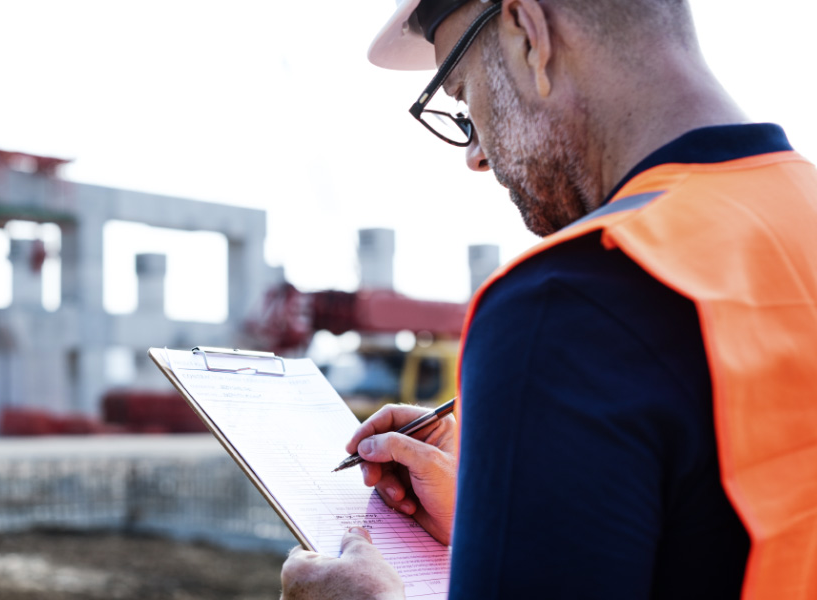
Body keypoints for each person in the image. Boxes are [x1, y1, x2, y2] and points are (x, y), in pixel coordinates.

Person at [280, 0, 817, 598]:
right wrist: (509, 523)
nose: (476, 155)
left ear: (528, 33)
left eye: (464, 99)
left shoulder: (565, 301)